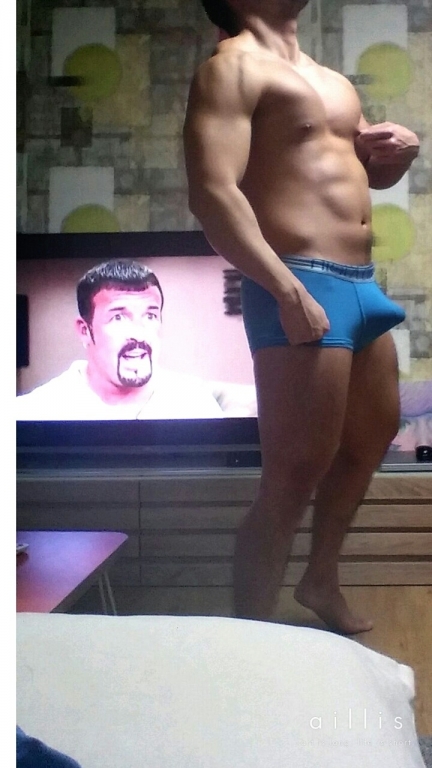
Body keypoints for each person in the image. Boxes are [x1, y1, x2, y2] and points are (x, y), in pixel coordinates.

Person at [183, 0, 420, 633]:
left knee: (367, 444)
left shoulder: (330, 80)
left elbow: (362, 173)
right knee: (291, 476)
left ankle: (320, 580)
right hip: (298, 278)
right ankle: (252, 636)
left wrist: (398, 154)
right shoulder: (230, 69)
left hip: (361, 283)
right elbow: (212, 191)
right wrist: (285, 291)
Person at [16, 259, 224, 420]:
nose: (139, 334)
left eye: (150, 316)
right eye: (118, 317)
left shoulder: (196, 405)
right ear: (85, 330)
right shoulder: (33, 413)